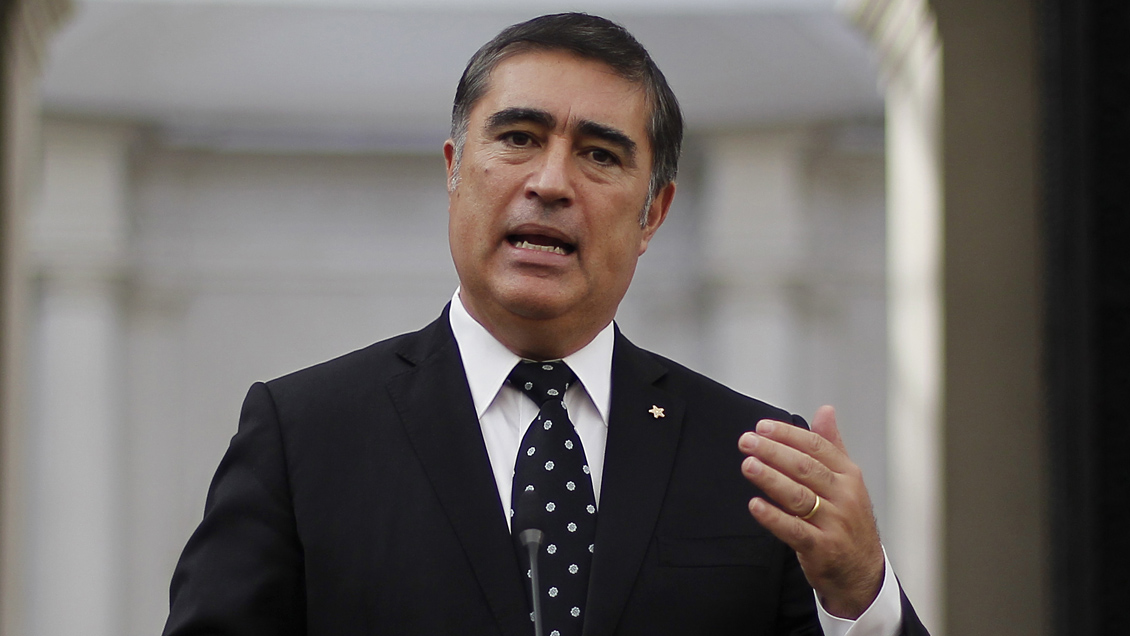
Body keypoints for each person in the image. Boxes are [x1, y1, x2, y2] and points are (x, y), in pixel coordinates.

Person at [163, 12, 928, 636]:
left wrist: (863, 596)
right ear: (454, 166)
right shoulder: (305, 436)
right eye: (519, 139)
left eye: (599, 155)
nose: (551, 182)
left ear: (653, 213)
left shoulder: (753, 463)